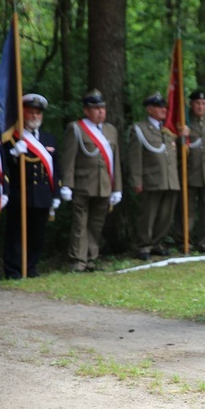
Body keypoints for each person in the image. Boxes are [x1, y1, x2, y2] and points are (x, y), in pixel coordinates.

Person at [61, 89, 123, 272]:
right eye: (96, 108)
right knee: (80, 224)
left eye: (102, 107)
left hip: (104, 185)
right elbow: (69, 159)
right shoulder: (76, 128)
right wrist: (66, 184)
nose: (100, 111)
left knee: (96, 225)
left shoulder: (111, 130)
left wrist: (117, 187)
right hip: (82, 184)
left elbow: (115, 160)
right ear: (86, 111)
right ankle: (77, 260)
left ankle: (90, 258)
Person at [2, 94, 62, 279]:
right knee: (16, 235)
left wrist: (57, 193)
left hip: (43, 195)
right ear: (23, 114)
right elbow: (3, 167)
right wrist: (13, 153)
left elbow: (56, 168)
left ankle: (31, 268)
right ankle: (14, 271)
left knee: (37, 235)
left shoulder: (49, 139)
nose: (35, 116)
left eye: (38, 113)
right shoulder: (11, 138)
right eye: (30, 112)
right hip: (21, 195)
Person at [128, 92, 180, 260]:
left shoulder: (168, 129)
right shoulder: (140, 129)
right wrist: (137, 180)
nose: (164, 109)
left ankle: (157, 243)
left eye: (164, 106)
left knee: (166, 215)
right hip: (151, 179)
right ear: (150, 109)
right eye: (159, 107)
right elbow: (135, 157)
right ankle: (143, 246)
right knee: (148, 215)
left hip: (170, 179)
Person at [174, 90, 205, 254]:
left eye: (203, 103)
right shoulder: (183, 120)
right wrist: (181, 136)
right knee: (186, 210)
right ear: (191, 104)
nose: (200, 106)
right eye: (197, 103)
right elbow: (174, 147)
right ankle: (185, 242)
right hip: (188, 172)